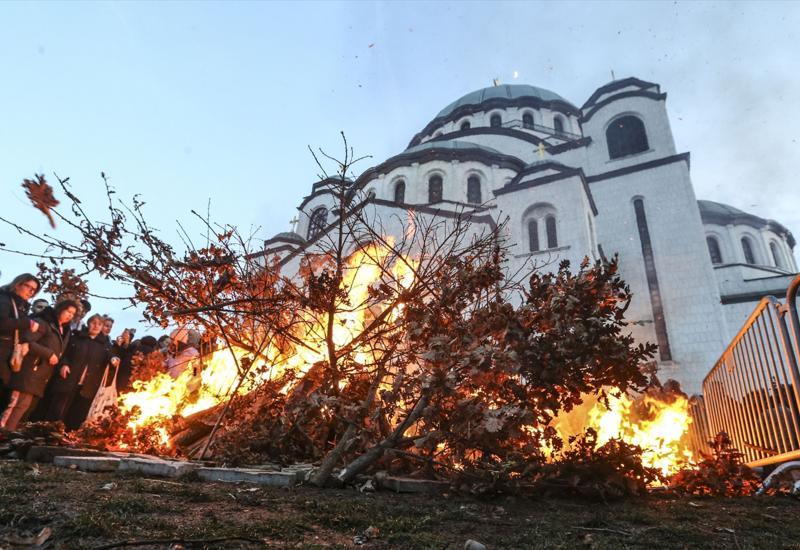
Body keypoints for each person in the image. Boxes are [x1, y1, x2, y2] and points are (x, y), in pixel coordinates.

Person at [0, 300, 78, 430]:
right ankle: (3, 434)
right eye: (68, 311)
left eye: (73, 314)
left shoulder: (64, 330)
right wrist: (49, 354)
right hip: (28, 370)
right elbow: (27, 340)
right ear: (60, 309)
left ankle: (7, 438)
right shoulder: (44, 322)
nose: (70, 315)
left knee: (23, 408)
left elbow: (61, 352)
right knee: (14, 406)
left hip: (40, 375)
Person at [41, 314, 119, 429]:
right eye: (93, 323)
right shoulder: (77, 338)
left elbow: (110, 357)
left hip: (88, 386)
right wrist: (64, 365)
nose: (96, 326)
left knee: (77, 414)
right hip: (69, 380)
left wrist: (114, 359)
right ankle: (48, 432)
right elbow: (64, 354)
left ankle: (68, 437)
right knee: (58, 410)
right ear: (88, 323)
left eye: (99, 324)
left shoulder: (105, 345)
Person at [0, 274, 41, 410]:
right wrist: (27, 323)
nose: (30, 291)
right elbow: (2, 322)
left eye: (34, 290)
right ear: (17, 284)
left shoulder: (20, 305)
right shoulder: (5, 299)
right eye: (28, 286)